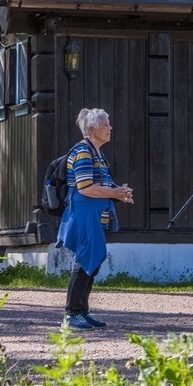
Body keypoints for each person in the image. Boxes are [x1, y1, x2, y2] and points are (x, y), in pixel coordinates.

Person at [58, 108, 133, 331]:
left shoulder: (96, 153)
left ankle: (82, 311)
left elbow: (100, 184)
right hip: (83, 215)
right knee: (84, 261)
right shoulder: (83, 152)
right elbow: (86, 188)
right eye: (105, 125)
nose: (110, 128)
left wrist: (119, 191)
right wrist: (115, 193)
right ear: (91, 129)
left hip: (91, 215)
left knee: (92, 261)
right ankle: (72, 314)